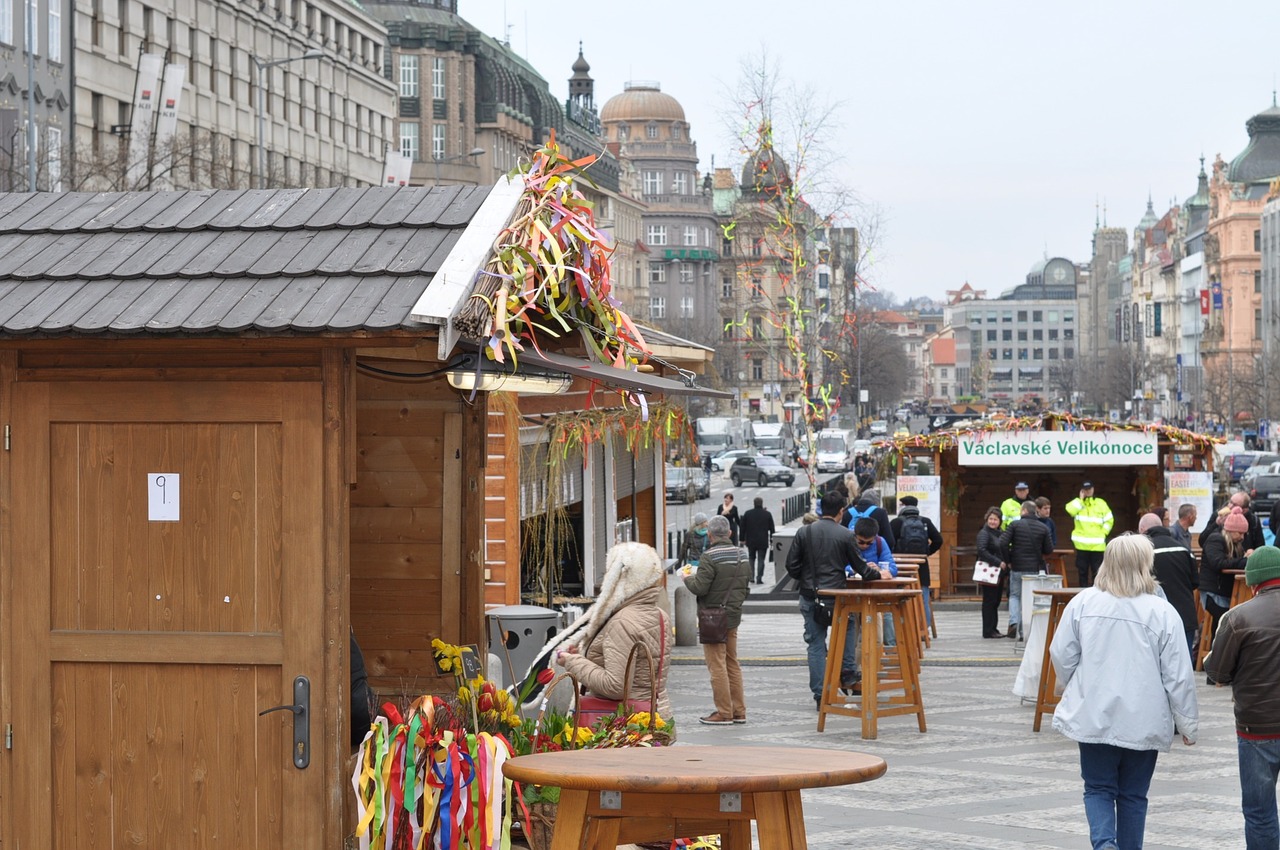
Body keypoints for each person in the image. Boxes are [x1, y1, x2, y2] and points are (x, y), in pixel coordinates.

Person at [1050, 534, 1198, 850]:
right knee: (1133, 794)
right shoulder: (1162, 611)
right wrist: (1187, 724)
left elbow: (1061, 655)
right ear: (1145, 566)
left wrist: (1076, 685)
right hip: (1143, 717)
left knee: (1098, 788)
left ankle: (1104, 845)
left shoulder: (1082, 603)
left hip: (1094, 714)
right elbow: (1179, 676)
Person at [543, 541, 673, 726]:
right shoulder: (660, 615)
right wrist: (585, 657)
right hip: (655, 713)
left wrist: (571, 661)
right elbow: (639, 669)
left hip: (625, 724)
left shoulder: (622, 622)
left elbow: (615, 686)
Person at [785, 490, 892, 707]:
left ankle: (820, 695)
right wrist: (879, 573)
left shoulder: (804, 533)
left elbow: (791, 566)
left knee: (815, 645)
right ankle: (848, 673)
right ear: (841, 512)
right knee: (847, 630)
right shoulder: (845, 535)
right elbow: (861, 567)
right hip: (839, 598)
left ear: (821, 509)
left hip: (811, 596)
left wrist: (807, 578)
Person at [1205, 545, 1280, 850]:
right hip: (1257, 727)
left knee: (1259, 812)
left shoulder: (1237, 618)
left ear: (1252, 583)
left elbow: (1217, 674)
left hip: (1256, 728)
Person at [683, 516, 751, 725]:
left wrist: (687, 578)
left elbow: (700, 587)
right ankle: (739, 710)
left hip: (713, 617)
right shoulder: (743, 555)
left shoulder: (709, 557)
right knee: (732, 662)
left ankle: (724, 712)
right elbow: (745, 588)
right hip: (733, 616)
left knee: (717, 665)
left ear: (710, 535)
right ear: (729, 533)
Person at [1140, 512, 1199, 659]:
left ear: (1142, 530)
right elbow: (1195, 582)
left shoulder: (1142, 553)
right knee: (1183, 664)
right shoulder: (1184, 550)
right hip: (1184, 616)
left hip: (1152, 619)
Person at [999, 500, 1053, 639]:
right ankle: (1024, 630)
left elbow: (1003, 542)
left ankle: (1014, 622)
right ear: (1035, 511)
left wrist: (1008, 559)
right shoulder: (1043, 528)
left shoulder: (1014, 525)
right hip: (1034, 569)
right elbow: (1049, 549)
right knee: (1028, 600)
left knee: (1014, 596)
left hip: (1016, 567)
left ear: (1023, 511)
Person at [1200, 506, 1253, 646]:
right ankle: (1217, 654)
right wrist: (1244, 560)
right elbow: (1218, 563)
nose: (1242, 537)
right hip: (1212, 592)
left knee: (1223, 622)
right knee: (1225, 621)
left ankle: (1216, 654)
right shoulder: (1215, 539)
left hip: (1224, 591)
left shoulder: (1234, 543)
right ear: (1230, 530)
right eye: (1240, 533)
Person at [890, 495, 942, 629]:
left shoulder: (896, 523)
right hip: (921, 565)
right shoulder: (925, 521)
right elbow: (938, 540)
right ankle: (924, 628)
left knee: (900, 596)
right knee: (923, 596)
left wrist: (894, 556)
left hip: (901, 565)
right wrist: (926, 553)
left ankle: (903, 628)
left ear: (903, 506)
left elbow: (888, 542)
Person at [853, 516, 899, 647]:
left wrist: (878, 570)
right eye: (861, 542)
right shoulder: (847, 541)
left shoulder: (880, 542)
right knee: (853, 622)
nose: (864, 546)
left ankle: (885, 648)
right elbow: (840, 564)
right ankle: (851, 661)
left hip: (875, 592)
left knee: (881, 615)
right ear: (855, 536)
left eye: (869, 543)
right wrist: (857, 569)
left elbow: (893, 568)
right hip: (852, 590)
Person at [1065, 481, 1114, 587]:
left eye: (1090, 489)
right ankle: (1082, 593)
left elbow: (1109, 520)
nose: (1088, 491)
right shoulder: (1078, 503)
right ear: (1082, 490)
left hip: (1098, 546)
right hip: (1081, 546)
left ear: (1093, 489)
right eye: (1085, 489)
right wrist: (1080, 499)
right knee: (1082, 572)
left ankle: (1097, 593)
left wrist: (1103, 533)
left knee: (1097, 572)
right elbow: (1069, 510)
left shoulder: (1101, 503)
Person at [977, 506, 1009, 639]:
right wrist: (998, 562)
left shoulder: (1000, 533)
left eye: (995, 519)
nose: (992, 522)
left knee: (995, 601)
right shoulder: (984, 533)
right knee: (989, 601)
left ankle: (993, 628)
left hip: (999, 573)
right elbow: (982, 551)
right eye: (990, 519)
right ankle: (988, 630)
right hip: (989, 571)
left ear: (1000, 521)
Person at [739, 496, 776, 585]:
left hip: (750, 541)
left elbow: (742, 528)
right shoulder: (767, 514)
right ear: (762, 503)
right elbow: (772, 528)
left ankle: (751, 577)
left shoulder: (748, 514)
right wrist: (772, 539)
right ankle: (759, 578)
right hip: (763, 541)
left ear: (754, 503)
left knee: (751, 558)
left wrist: (742, 539)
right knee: (761, 559)